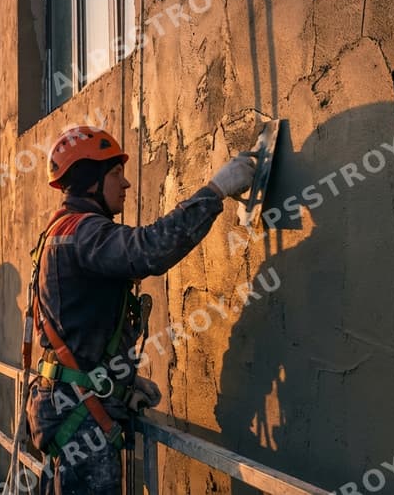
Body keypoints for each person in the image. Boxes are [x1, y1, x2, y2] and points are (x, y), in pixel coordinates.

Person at [27, 125, 256, 493]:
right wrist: (215, 192)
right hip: (81, 412)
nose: (126, 183)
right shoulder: (84, 232)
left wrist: (121, 381)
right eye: (116, 174)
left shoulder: (59, 231)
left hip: (68, 402)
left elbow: (79, 324)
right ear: (91, 181)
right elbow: (150, 249)